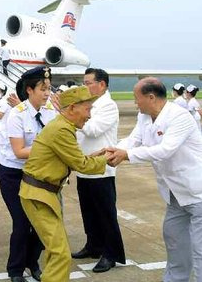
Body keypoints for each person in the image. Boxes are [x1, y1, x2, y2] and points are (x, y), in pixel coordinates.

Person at [107, 77, 202, 282]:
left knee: (201, 250)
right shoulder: (144, 117)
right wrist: (115, 149)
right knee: (174, 242)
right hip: (175, 196)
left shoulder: (179, 117)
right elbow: (133, 140)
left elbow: (165, 150)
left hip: (198, 194)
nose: (135, 103)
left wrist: (127, 156)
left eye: (137, 98)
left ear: (151, 97)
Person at [19, 86, 110, 282]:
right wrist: (106, 159)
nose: (89, 115)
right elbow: (81, 165)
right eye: (87, 109)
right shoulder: (61, 130)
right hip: (39, 195)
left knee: (55, 251)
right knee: (60, 253)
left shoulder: (62, 126)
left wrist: (95, 157)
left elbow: (73, 159)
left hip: (41, 193)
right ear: (72, 109)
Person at [2, 66, 56, 282]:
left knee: (41, 223)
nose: (47, 93)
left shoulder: (50, 111)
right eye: (43, 89)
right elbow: (19, 151)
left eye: (49, 88)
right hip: (14, 174)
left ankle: (32, 262)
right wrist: (51, 148)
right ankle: (15, 270)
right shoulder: (17, 114)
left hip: (40, 174)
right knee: (22, 223)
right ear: (29, 90)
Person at [72, 68, 126, 273]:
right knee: (88, 212)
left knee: (106, 214)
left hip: (102, 169)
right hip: (84, 166)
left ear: (102, 84)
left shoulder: (108, 106)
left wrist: (75, 115)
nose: (84, 86)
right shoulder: (90, 104)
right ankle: (93, 246)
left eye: (88, 83)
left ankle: (111, 254)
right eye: (84, 83)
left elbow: (93, 129)